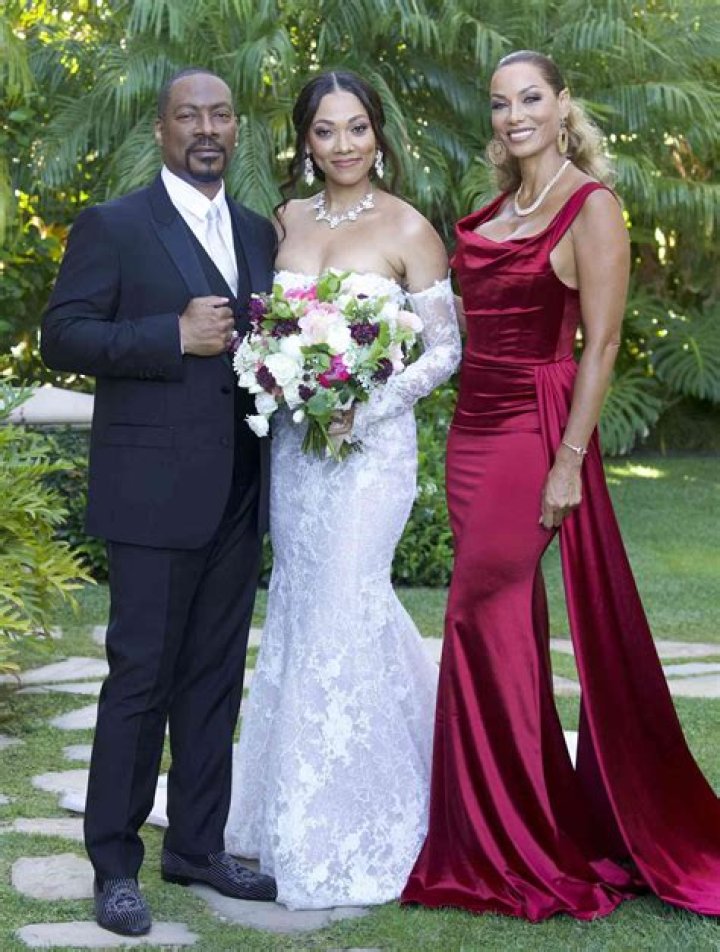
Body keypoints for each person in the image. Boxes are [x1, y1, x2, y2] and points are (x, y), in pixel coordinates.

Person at [402, 49, 720, 921]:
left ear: (562, 103)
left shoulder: (593, 207)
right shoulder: (501, 207)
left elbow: (602, 344)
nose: (515, 116)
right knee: (498, 621)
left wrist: (570, 460)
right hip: (472, 432)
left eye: (531, 98)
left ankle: (510, 842)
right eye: (501, 103)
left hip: (533, 429)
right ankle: (514, 829)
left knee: (476, 616)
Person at [41, 68, 278, 937]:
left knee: (214, 682)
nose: (206, 129)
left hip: (240, 494)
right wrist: (170, 335)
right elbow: (61, 334)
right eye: (189, 115)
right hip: (149, 499)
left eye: (220, 115)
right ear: (162, 129)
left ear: (237, 128)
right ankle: (115, 865)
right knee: (140, 683)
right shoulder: (113, 226)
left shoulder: (257, 231)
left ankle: (198, 847)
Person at [225, 70, 461, 909]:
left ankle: (359, 819)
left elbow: (445, 349)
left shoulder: (408, 227)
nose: (343, 145)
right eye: (325, 131)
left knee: (345, 603)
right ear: (306, 141)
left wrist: (369, 404)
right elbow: (267, 330)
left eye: (356, 127)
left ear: (377, 132)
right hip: (299, 453)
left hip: (371, 455)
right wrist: (282, 375)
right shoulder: (285, 221)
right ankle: (283, 809)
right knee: (299, 605)